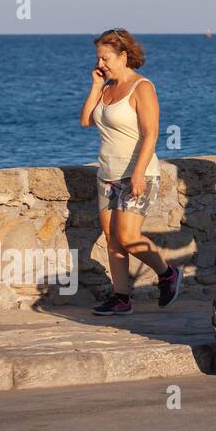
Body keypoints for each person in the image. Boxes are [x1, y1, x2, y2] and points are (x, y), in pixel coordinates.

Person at [79, 29, 180, 315]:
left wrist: (138, 173)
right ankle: (121, 297)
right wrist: (96, 86)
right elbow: (86, 120)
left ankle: (167, 273)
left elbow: (151, 134)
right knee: (112, 239)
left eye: (105, 58)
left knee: (127, 236)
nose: (100, 63)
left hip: (139, 173)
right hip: (107, 173)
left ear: (123, 56)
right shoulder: (106, 87)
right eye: (98, 58)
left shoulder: (142, 87)